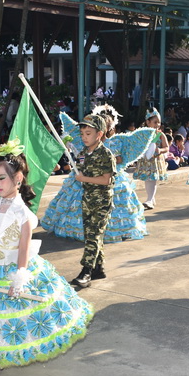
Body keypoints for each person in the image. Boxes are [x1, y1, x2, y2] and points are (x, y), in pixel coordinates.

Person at [0, 149, 94, 376]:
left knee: (15, 316)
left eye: (1, 178)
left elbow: (24, 248)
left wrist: (19, 277)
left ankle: (8, 353)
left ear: (18, 178)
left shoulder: (22, 212)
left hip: (14, 268)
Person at [42, 109, 155, 244]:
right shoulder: (86, 145)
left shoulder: (113, 143)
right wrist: (75, 154)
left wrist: (103, 161)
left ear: (105, 130)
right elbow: (81, 159)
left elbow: (119, 160)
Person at [69, 114, 116, 288]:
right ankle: (98, 268)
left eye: (88, 133)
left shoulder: (105, 154)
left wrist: (84, 179)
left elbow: (106, 180)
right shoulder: (83, 153)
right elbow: (79, 169)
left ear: (99, 134)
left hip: (102, 200)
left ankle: (86, 271)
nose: (84, 137)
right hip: (87, 199)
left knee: (94, 235)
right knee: (91, 234)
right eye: (82, 134)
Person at [133, 108, 168, 210]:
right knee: (148, 180)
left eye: (159, 122)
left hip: (155, 161)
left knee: (152, 179)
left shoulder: (160, 135)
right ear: (148, 122)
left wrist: (160, 150)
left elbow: (166, 147)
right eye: (155, 122)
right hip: (145, 160)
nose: (157, 124)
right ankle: (151, 198)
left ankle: (150, 199)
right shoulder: (143, 134)